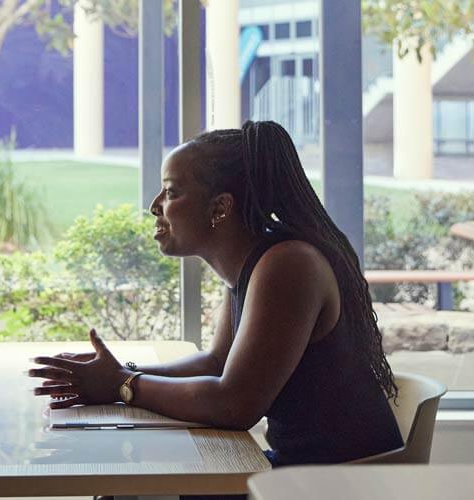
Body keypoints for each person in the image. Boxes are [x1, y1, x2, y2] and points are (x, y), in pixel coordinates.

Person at [28, 121, 404, 468]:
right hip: (301, 471)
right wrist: (119, 375)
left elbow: (234, 404)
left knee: (138, 486)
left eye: (172, 191)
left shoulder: (289, 265)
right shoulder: (255, 263)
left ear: (220, 207)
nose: (154, 205)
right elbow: (216, 363)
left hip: (340, 484)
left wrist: (124, 386)